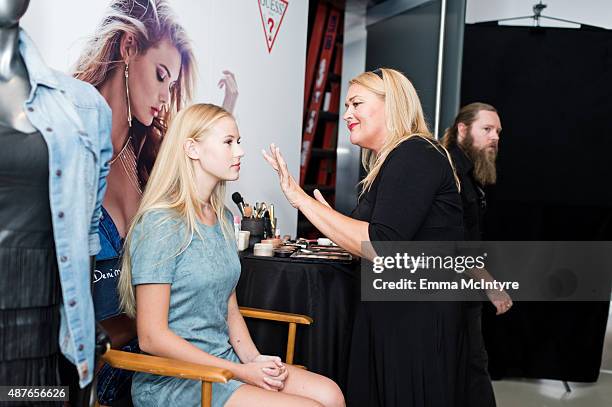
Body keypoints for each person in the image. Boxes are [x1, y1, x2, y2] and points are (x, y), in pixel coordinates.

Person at [263, 68, 469, 406]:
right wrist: (327, 218)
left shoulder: (414, 153)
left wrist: (300, 200)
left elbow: (381, 244)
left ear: (392, 105)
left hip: (415, 319)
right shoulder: (392, 161)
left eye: (356, 103)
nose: (347, 115)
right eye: (345, 106)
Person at [116, 103, 344, 407]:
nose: (240, 152)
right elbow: (151, 337)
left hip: (225, 364)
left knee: (331, 394)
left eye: (239, 142)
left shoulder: (222, 217)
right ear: (192, 149)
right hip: (175, 378)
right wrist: (240, 371)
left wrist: (254, 360)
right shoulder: (160, 224)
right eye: (228, 142)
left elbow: (229, 307)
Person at [72, 0, 237, 403]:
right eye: (161, 76)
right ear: (128, 47)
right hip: (102, 366)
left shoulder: (149, 153)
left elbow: (194, 172)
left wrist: (224, 114)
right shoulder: (71, 146)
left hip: (165, 354)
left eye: (172, 85)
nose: (165, 96)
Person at [0, 0, 112, 402]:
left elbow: (88, 229)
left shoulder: (83, 107)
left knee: (36, 397)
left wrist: (84, 319)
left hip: (50, 334)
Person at [441, 102, 513, 407]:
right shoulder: (450, 173)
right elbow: (455, 243)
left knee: (467, 367)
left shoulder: (468, 173)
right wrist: (489, 283)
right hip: (446, 292)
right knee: (472, 367)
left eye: (498, 131)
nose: (495, 137)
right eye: (487, 129)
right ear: (462, 129)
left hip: (461, 293)